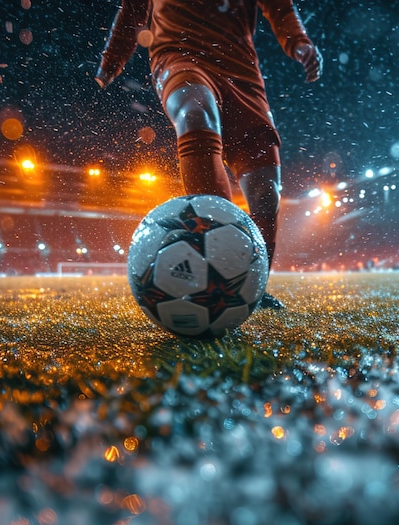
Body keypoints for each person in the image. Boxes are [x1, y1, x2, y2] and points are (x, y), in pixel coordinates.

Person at [95, 0, 323, 308]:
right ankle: (218, 266)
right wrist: (111, 61)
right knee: (195, 114)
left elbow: (280, 8)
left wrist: (300, 43)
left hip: (241, 69)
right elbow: (133, 9)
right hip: (179, 54)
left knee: (265, 188)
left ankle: (250, 287)